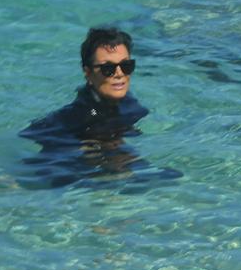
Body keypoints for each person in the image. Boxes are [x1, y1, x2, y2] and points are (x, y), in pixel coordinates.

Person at [19, 27, 180, 188]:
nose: (119, 74)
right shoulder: (88, 113)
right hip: (58, 163)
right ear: (87, 73)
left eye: (126, 66)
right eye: (107, 69)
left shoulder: (126, 101)